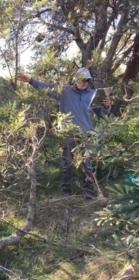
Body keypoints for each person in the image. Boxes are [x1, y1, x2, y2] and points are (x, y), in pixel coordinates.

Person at [16, 67, 111, 199]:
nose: (84, 82)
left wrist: (106, 106)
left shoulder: (94, 94)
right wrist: (30, 80)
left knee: (87, 165)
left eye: (86, 80)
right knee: (67, 164)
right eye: (81, 80)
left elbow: (103, 115)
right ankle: (66, 192)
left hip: (86, 135)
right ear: (76, 80)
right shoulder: (64, 91)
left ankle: (89, 194)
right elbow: (46, 87)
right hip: (68, 134)